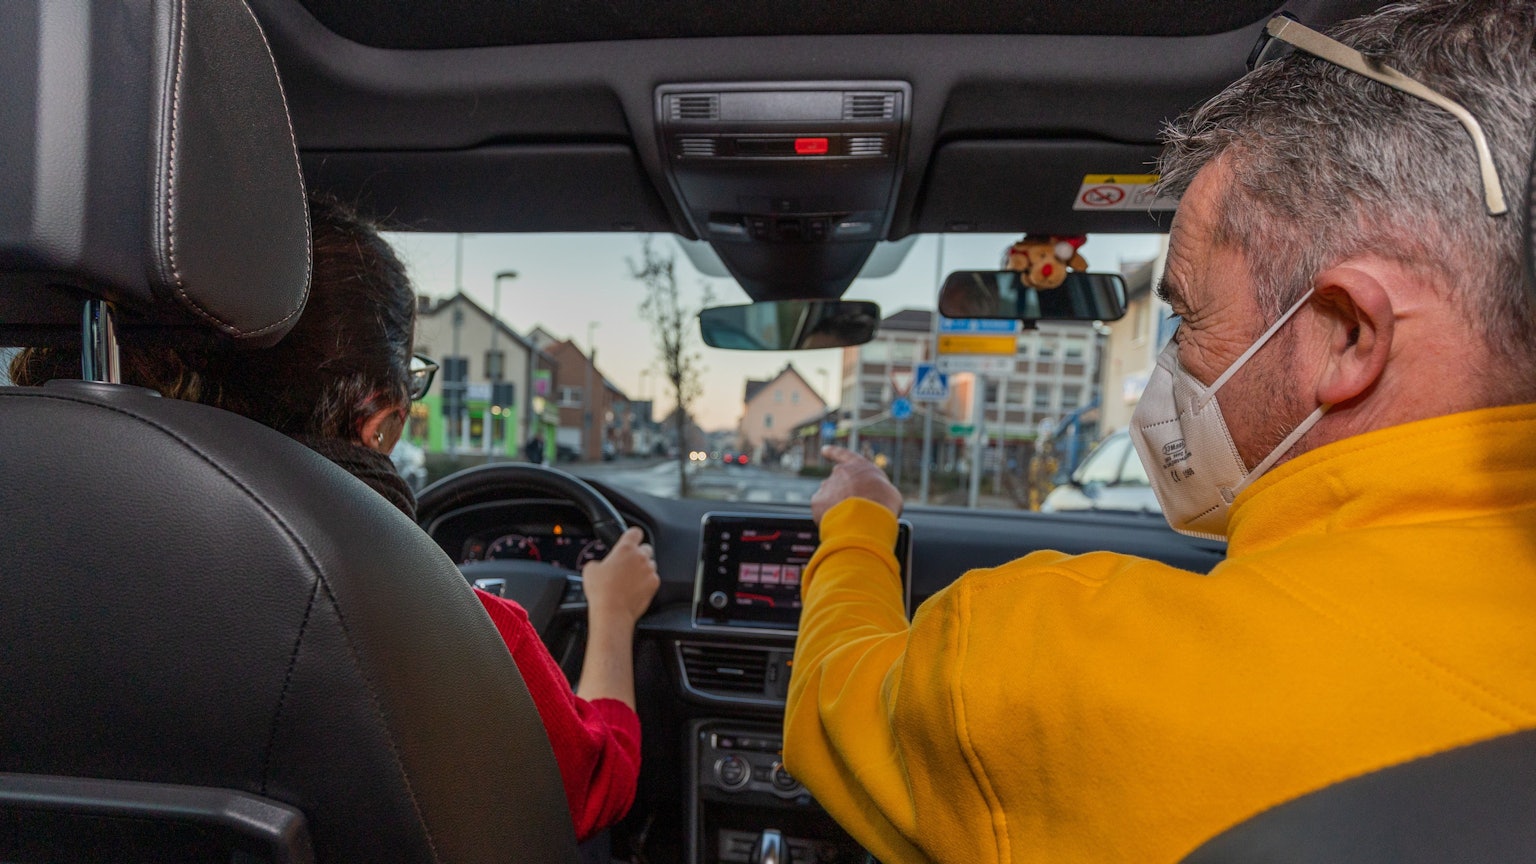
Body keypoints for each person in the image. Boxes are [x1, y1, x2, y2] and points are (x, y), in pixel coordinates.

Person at [781, 2, 1536, 862]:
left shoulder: (1048, 667)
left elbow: (832, 703)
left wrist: (856, 523)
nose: (1169, 365)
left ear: (1346, 336)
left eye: (1188, 314)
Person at [10, 195, 659, 843]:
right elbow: (597, 785)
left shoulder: (31, 567)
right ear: (378, 421)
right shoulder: (437, 629)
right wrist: (613, 615)